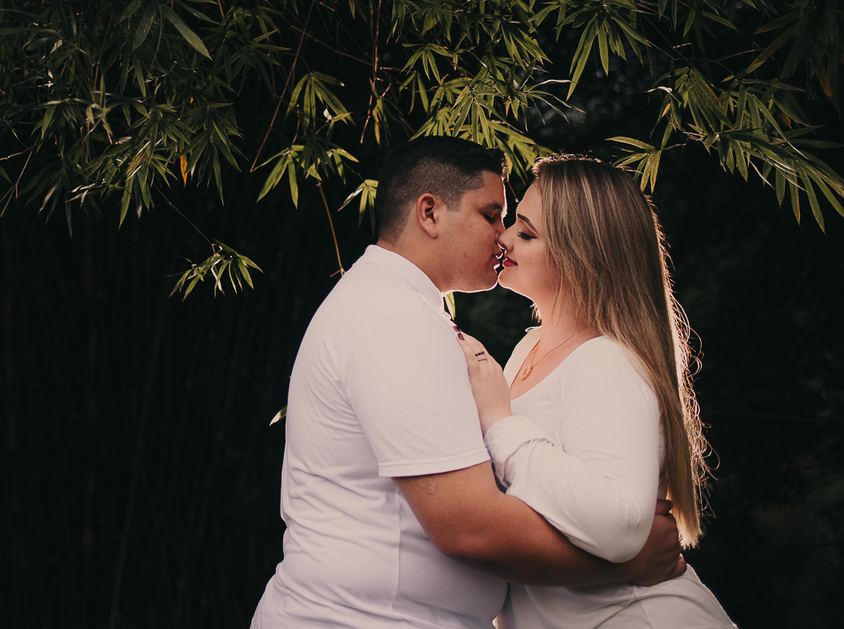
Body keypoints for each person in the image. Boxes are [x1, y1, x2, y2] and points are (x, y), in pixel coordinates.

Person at [251, 137, 685, 629]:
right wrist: (624, 563)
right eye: (492, 215)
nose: (502, 237)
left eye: (517, 226)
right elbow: (471, 528)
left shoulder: (399, 310)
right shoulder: (397, 321)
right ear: (430, 213)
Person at [460, 155, 736, 628]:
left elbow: (617, 522)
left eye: (527, 233)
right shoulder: (527, 349)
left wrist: (499, 423)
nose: (504, 238)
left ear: (581, 255)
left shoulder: (608, 361)